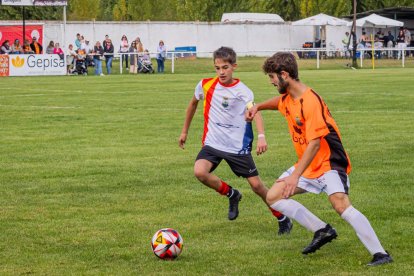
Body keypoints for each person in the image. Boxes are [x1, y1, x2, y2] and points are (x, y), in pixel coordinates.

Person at [246, 52, 393, 266]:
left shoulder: (310, 101)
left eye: (272, 77)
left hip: (328, 162)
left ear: (284, 75)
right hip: (309, 163)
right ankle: (322, 230)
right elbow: (279, 102)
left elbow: (315, 143)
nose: (271, 82)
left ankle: (381, 254)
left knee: (340, 204)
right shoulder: (289, 98)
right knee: (273, 196)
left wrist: (295, 176)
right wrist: (258, 106)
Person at [178, 47, 292, 235]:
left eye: (225, 67)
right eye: (217, 68)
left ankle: (282, 217)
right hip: (213, 143)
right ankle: (232, 194)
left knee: (257, 186)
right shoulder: (205, 85)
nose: (221, 72)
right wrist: (184, 131)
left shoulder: (242, 91)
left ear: (234, 67)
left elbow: (255, 112)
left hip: (236, 147)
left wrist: (261, 136)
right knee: (200, 171)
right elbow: (192, 104)